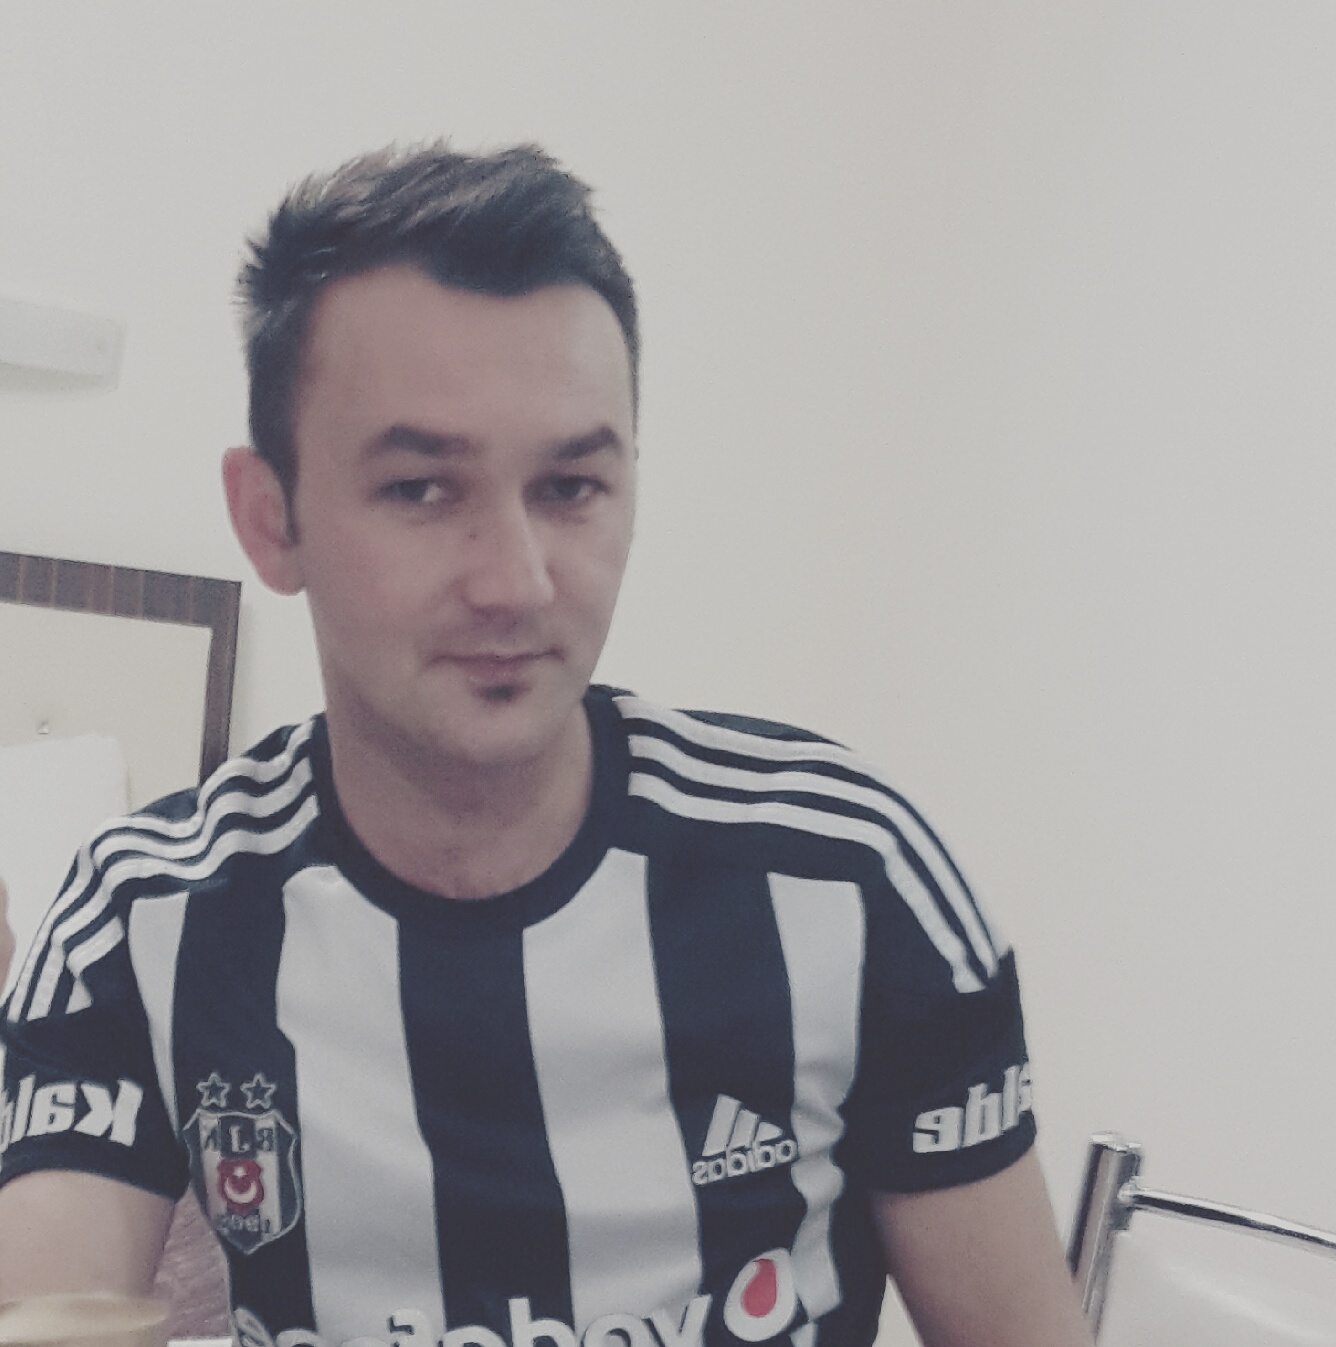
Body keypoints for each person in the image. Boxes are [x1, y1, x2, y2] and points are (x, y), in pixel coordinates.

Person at [0, 144, 1090, 1347]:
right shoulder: (144, 919)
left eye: (570, 487)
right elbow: (44, 1311)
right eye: (422, 489)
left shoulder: (848, 878)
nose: (516, 583)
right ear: (272, 519)